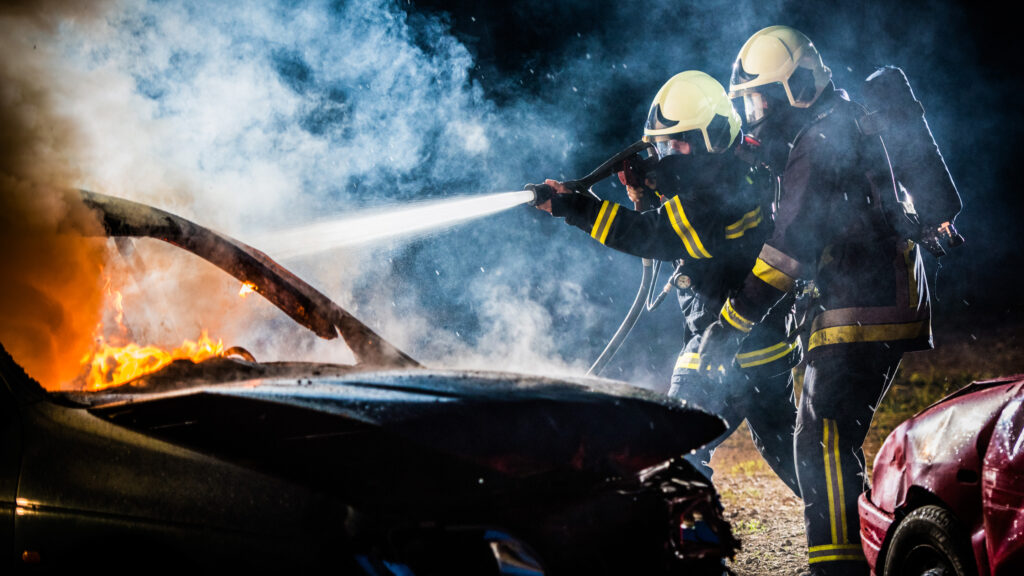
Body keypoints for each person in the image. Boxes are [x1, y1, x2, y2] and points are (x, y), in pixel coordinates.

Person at [698, 26, 932, 576]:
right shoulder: (832, 126)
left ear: (792, 90)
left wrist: (730, 321)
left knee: (822, 437)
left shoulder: (821, 140)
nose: (753, 114)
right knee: (827, 437)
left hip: (862, 302)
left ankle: (840, 568)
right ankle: (872, 548)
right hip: (868, 296)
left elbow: (788, 249)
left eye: (757, 100)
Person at [535, 70, 802, 494]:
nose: (667, 156)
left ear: (711, 138)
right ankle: (858, 533)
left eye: (677, 144)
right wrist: (648, 191)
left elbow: (651, 235)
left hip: (723, 345)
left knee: (673, 446)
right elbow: (690, 225)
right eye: (662, 146)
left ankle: (696, 553)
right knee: (793, 454)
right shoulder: (741, 165)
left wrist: (576, 208)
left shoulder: (716, 195)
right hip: (763, 344)